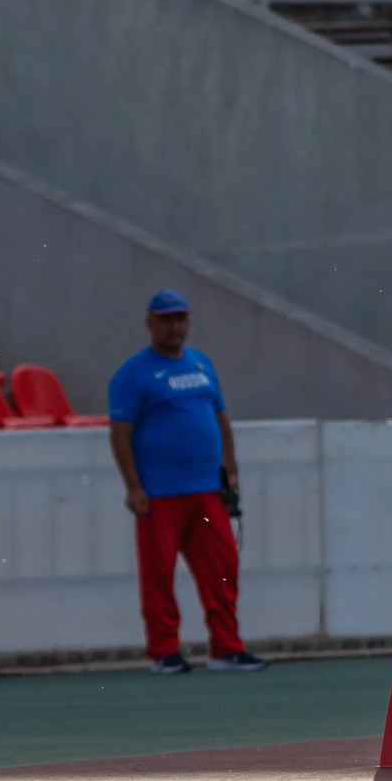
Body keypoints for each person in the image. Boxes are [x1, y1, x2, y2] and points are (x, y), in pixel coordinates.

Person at [108, 289, 265, 676]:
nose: (175, 326)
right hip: (159, 494)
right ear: (150, 322)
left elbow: (220, 417)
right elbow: (121, 435)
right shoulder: (133, 373)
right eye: (166, 319)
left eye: (181, 318)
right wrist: (134, 486)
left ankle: (226, 647)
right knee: (159, 575)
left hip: (207, 489)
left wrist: (230, 468)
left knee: (223, 568)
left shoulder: (201, 363)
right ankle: (165, 652)